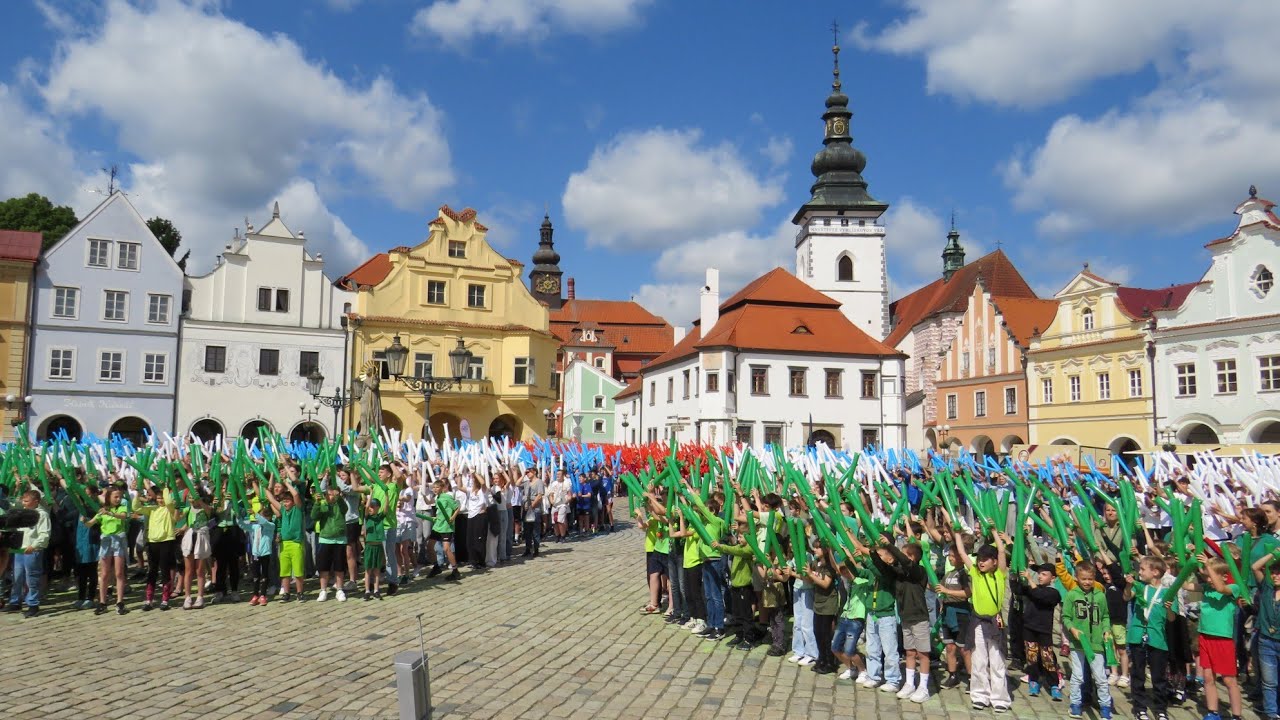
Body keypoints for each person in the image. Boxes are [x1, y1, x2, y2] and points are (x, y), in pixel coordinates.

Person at [871, 534, 931, 703]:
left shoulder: (919, 572)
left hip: (919, 617)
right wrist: (873, 551)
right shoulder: (899, 574)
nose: (899, 557)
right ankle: (910, 684)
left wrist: (890, 546)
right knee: (909, 652)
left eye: (903, 554)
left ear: (911, 557)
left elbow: (905, 563)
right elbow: (883, 568)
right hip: (905, 617)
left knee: (922, 653)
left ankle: (923, 687)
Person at [957, 531, 1011, 712]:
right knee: (978, 660)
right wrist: (957, 534)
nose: (981, 562)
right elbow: (962, 552)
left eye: (986, 559)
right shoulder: (975, 573)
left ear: (994, 562)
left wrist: (995, 533)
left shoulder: (1000, 574)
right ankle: (980, 695)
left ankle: (1000, 698)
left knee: (997, 661)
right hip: (978, 622)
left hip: (995, 622)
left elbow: (1001, 552)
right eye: (980, 559)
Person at [1197, 552, 1244, 720]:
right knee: (1208, 677)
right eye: (1207, 576)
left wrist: (1208, 566)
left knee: (1229, 680)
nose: (1208, 579)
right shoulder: (1206, 587)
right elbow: (1186, 585)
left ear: (1224, 576)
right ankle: (1213, 712)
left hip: (1223, 639)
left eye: (1212, 575)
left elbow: (1220, 588)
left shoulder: (1233, 588)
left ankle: (1236, 715)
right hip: (1205, 636)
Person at [1064, 561, 1113, 720]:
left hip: (1096, 643)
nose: (1087, 582)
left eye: (1090, 579)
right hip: (1078, 643)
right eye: (1083, 579)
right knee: (1078, 676)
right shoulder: (1071, 595)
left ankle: (1105, 706)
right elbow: (1066, 617)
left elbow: (1105, 616)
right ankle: (1075, 704)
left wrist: (1106, 630)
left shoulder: (1100, 596)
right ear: (1077, 578)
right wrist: (1072, 629)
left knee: (1101, 677)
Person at [1014, 563, 1064, 700]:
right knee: (1032, 657)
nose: (1040, 577)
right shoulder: (1034, 588)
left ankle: (1054, 684)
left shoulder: (1054, 593)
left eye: (1044, 574)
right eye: (1039, 574)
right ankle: (1034, 680)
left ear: (1052, 578)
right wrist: (1015, 577)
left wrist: (1030, 580)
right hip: (1029, 628)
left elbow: (1040, 596)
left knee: (1047, 658)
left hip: (1044, 630)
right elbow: (1019, 590)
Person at [4, 490, 50, 618]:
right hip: (20, 549)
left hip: (32, 550)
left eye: (26, 501)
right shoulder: (22, 513)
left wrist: (34, 545)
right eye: (23, 501)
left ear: (36, 501)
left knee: (32, 577)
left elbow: (44, 534)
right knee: (17, 576)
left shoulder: (42, 515)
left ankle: (33, 604)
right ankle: (15, 601)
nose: (23, 503)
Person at [132, 484, 177, 611]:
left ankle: (165, 600)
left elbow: (169, 502)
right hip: (152, 542)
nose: (160, 500)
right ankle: (149, 600)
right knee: (152, 571)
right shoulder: (151, 509)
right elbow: (135, 507)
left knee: (165, 570)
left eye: (162, 498)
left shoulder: (170, 508)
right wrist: (138, 493)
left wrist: (165, 488)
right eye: (158, 498)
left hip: (166, 541)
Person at [87, 487, 129, 615]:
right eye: (115, 497)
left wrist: (110, 513)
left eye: (119, 496)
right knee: (104, 574)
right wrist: (85, 521)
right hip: (106, 541)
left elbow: (123, 516)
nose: (118, 499)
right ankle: (102, 602)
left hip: (118, 541)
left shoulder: (121, 507)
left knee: (119, 573)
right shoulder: (102, 510)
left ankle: (120, 602)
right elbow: (90, 523)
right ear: (109, 497)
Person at [1249, 549, 1280, 720]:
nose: (1275, 576)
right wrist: (1274, 553)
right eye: (1273, 572)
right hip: (1266, 641)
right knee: (1269, 681)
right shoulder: (1267, 588)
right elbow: (1255, 567)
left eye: (1279, 573)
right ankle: (1271, 713)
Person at [266, 477, 306, 602]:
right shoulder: (283, 510)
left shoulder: (297, 509)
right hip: (284, 544)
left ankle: (300, 593)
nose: (285, 503)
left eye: (288, 501)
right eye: (284, 501)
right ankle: (286, 593)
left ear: (293, 502)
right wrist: (265, 487)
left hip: (296, 543)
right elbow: (271, 499)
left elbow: (296, 494)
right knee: (285, 571)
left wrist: (285, 483)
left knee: (298, 570)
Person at [312, 480, 349, 602]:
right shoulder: (322, 505)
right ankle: (323, 590)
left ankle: (339, 589)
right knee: (324, 567)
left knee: (339, 567)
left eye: (332, 494)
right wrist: (317, 503)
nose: (329, 496)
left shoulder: (340, 505)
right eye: (327, 494)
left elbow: (345, 509)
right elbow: (314, 516)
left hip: (340, 540)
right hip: (325, 539)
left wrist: (339, 498)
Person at [425, 479, 460, 582]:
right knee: (429, 547)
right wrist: (436, 517)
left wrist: (453, 517)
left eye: (437, 487)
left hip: (446, 527)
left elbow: (457, 507)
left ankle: (455, 571)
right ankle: (436, 567)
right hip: (437, 526)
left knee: (446, 549)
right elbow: (440, 511)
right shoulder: (437, 498)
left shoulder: (447, 497)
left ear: (442, 488)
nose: (435, 489)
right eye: (434, 487)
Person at [245, 502, 276, 606]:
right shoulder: (256, 527)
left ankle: (263, 595)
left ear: (269, 517)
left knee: (264, 575)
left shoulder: (271, 525)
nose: (259, 519)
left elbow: (264, 522)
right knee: (255, 576)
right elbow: (243, 525)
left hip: (265, 553)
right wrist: (238, 517)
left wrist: (255, 514)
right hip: (256, 553)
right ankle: (255, 595)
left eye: (262, 516)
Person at [363, 498, 387, 599]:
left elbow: (386, 508)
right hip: (369, 546)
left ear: (378, 507)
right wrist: (371, 493)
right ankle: (367, 591)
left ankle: (376, 590)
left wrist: (386, 495)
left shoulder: (380, 517)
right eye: (370, 506)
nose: (370, 508)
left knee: (377, 570)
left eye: (373, 506)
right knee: (368, 570)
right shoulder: (368, 517)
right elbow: (366, 507)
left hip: (378, 546)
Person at [519, 468, 544, 557]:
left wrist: (532, 506)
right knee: (527, 530)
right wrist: (523, 475)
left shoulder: (539, 482)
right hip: (526, 508)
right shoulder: (527, 482)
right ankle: (528, 548)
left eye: (529, 472)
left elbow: (539, 495)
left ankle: (536, 549)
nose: (528, 474)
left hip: (534, 508)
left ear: (534, 472)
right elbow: (517, 484)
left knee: (535, 530)